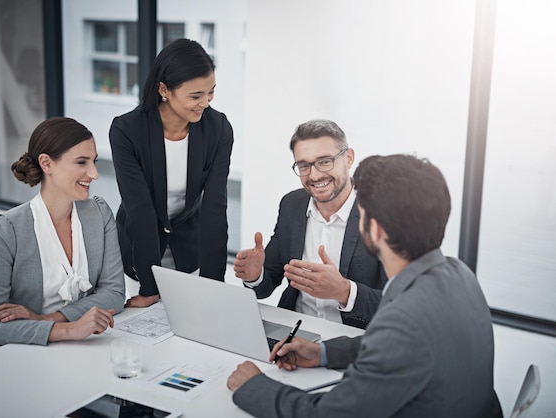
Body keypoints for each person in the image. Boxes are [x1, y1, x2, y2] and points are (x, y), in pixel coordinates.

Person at [227, 154, 503, 417]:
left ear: (377, 230)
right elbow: (395, 348)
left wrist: (254, 385)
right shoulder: (458, 274)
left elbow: (328, 414)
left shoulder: (405, 320)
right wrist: (323, 353)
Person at [0, 117, 126, 350]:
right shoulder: (7, 228)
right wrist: (68, 329)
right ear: (46, 164)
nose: (94, 174)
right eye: (81, 162)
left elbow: (114, 292)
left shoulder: (99, 213)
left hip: (84, 348)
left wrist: (47, 319)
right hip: (27, 355)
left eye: (93, 161)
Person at [109, 38, 233, 308]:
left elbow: (215, 207)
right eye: (195, 96)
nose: (205, 102)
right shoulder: (127, 131)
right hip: (137, 254)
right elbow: (140, 211)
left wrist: (214, 286)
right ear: (164, 90)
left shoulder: (218, 128)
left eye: (210, 92)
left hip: (188, 247)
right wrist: (149, 289)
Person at [233, 119, 385, 329]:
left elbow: (406, 306)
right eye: (304, 165)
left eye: (324, 161)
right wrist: (255, 276)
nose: (314, 175)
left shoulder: (384, 213)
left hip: (355, 342)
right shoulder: (292, 204)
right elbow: (265, 286)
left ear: (348, 158)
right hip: (295, 331)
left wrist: (344, 292)